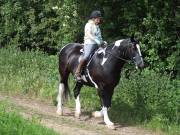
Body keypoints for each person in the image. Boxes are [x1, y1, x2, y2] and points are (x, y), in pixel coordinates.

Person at [75, 10, 104, 81]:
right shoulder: (88, 25)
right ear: (93, 18)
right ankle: (77, 72)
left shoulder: (97, 26)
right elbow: (89, 35)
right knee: (87, 56)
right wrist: (97, 41)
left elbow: (99, 36)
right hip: (89, 43)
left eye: (99, 19)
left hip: (96, 43)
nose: (99, 20)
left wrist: (102, 41)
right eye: (98, 19)